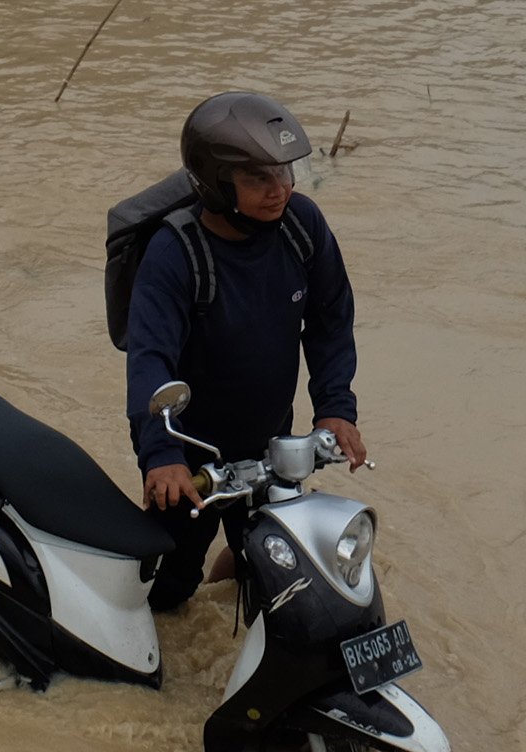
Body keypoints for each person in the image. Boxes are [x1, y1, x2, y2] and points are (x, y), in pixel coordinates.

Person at [124, 91, 365, 610]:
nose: (280, 190)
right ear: (216, 182)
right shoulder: (176, 253)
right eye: (258, 178)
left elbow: (330, 320)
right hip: (190, 455)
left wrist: (335, 408)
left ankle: (223, 599)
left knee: (273, 566)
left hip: (270, 441)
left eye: (284, 172)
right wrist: (161, 456)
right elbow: (149, 357)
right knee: (166, 594)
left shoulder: (303, 226)